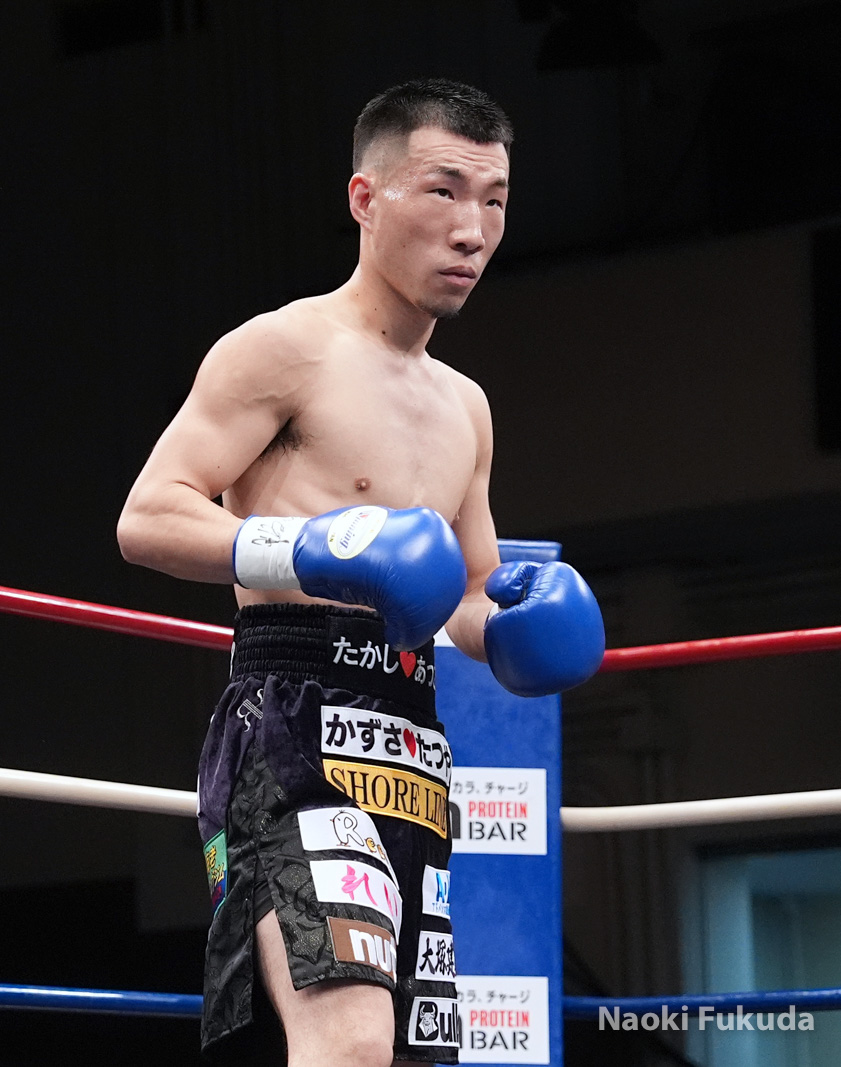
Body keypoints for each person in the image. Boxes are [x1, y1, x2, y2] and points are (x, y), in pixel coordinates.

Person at [118, 78, 604, 1067]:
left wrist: (511, 626)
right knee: (346, 1042)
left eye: (495, 200)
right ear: (365, 198)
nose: (472, 229)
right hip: (291, 721)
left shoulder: (465, 406)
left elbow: (465, 591)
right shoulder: (284, 348)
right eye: (443, 191)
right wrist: (305, 548)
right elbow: (149, 515)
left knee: (408, 1054)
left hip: (414, 742)